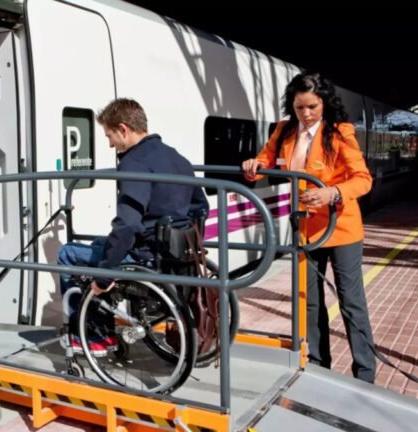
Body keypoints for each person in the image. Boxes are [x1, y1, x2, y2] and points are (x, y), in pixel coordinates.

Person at [241, 71, 376, 383]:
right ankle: (317, 366)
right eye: (300, 107)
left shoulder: (340, 132)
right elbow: (263, 163)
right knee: (309, 302)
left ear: (324, 103)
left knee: (351, 302)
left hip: (340, 228)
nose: (306, 114)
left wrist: (333, 192)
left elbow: (363, 179)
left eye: (312, 107)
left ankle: (365, 373)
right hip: (305, 229)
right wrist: (252, 168)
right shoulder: (284, 130)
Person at [58, 98, 208, 356]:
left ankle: (96, 336)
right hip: (175, 255)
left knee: (68, 254)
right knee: (98, 245)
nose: (109, 143)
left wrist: (104, 277)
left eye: (110, 136)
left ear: (124, 129)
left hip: (147, 257)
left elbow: (127, 225)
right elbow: (200, 207)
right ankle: (102, 314)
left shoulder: (134, 163)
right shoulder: (177, 158)